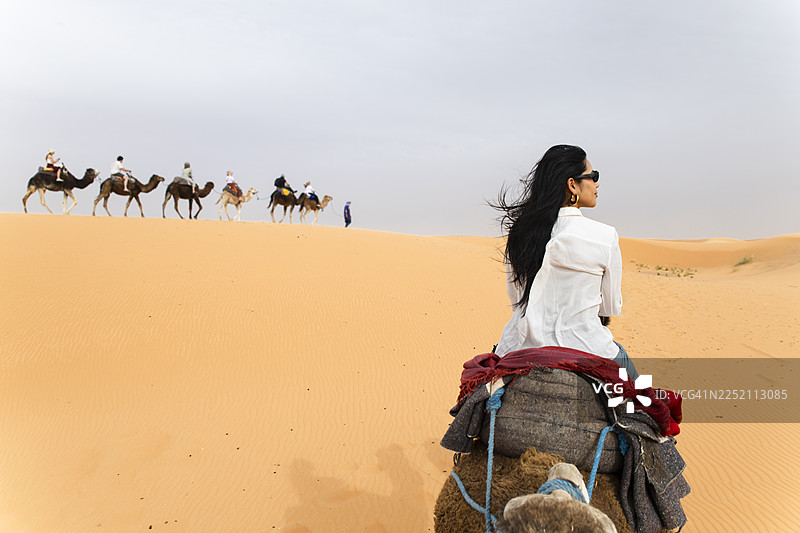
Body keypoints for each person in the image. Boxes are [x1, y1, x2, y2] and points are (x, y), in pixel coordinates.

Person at [492, 144, 638, 380]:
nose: (597, 183)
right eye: (593, 176)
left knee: (475, 397)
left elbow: (517, 300)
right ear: (572, 185)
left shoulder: (520, 233)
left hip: (518, 349)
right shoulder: (605, 235)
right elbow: (609, 307)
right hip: (588, 349)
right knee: (648, 405)